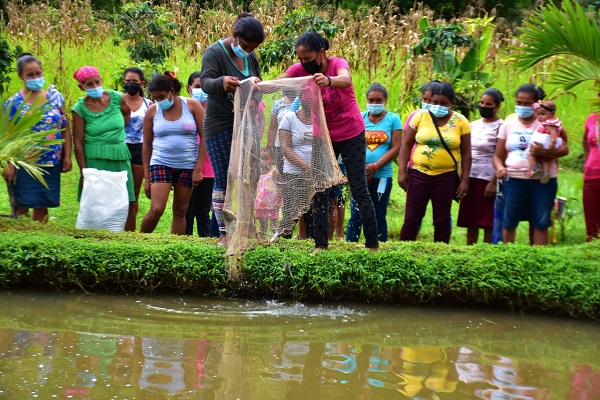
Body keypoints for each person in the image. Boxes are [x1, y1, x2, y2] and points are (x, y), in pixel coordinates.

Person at [278, 31, 379, 252]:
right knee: (320, 189)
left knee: (359, 187)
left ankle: (372, 244)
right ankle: (321, 244)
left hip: (351, 134)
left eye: (308, 58)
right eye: (301, 59)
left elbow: (345, 78)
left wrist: (328, 80)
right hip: (322, 137)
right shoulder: (301, 69)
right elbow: (279, 82)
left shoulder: (336, 64)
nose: (304, 63)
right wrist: (257, 85)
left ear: (321, 53)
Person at [200, 12, 264, 246]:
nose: (248, 51)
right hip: (221, 123)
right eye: (246, 46)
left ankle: (246, 226)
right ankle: (224, 233)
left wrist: (257, 88)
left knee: (252, 175)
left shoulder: (250, 56)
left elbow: (258, 80)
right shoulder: (214, 53)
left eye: (252, 48)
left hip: (247, 122)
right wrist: (222, 83)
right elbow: (205, 82)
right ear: (235, 36)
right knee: (225, 178)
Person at [492, 83, 569, 245]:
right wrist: (500, 168)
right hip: (513, 180)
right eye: (519, 103)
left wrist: (545, 153)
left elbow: (564, 149)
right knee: (509, 220)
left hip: (543, 182)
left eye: (527, 103)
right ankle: (509, 258)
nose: (522, 107)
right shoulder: (508, 125)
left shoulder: (548, 123)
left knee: (540, 222)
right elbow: (498, 156)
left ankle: (537, 258)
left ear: (536, 104)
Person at [398, 82, 472, 243]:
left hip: (446, 177)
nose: (437, 106)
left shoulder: (461, 121)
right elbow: (406, 144)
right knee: (412, 218)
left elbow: (466, 153)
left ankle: (441, 253)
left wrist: (465, 180)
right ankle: (403, 252)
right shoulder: (420, 116)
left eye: (443, 103)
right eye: (434, 102)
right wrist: (402, 171)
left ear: (452, 103)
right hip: (418, 175)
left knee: (442, 219)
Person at [2, 53, 71, 222]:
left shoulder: (53, 98)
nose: (35, 78)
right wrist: (8, 164)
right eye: (30, 75)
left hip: (51, 160)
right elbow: (7, 137)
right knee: (21, 205)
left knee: (43, 203)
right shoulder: (13, 103)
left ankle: (40, 239)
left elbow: (64, 127)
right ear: (21, 76)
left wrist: (67, 156)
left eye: (38, 73)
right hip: (24, 162)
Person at [139, 72, 207, 234]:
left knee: (180, 212)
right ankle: (140, 243)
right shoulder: (152, 111)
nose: (159, 101)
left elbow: (206, 137)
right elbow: (147, 145)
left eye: (162, 96)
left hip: (187, 165)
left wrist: (198, 168)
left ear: (172, 90)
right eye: (156, 98)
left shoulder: (191, 106)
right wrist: (147, 178)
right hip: (161, 162)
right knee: (156, 209)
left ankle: (175, 248)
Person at [71, 65, 135, 228]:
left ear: (101, 80)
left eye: (97, 82)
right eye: (89, 84)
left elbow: (126, 114)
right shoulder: (80, 109)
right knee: (97, 202)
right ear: (81, 87)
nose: (94, 87)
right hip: (95, 158)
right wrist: (84, 171)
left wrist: (117, 134)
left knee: (126, 201)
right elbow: (77, 143)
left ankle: (124, 240)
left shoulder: (117, 98)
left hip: (119, 154)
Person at [346, 83, 401, 243]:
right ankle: (350, 247)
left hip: (382, 176)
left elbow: (396, 147)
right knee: (356, 214)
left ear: (385, 100)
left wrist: (375, 166)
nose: (375, 104)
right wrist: (362, 169)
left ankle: (377, 247)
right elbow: (352, 144)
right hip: (360, 175)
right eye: (371, 100)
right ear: (366, 100)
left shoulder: (393, 119)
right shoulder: (360, 118)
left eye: (379, 100)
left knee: (379, 214)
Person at [457, 88, 504, 245]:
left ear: (497, 107)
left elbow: (501, 155)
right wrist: (462, 175)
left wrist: (493, 181)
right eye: (481, 103)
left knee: (487, 220)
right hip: (470, 176)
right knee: (470, 219)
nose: (484, 106)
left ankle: (486, 251)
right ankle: (470, 250)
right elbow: (465, 152)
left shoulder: (501, 126)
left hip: (488, 177)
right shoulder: (473, 125)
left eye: (488, 104)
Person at [185, 72, 217, 237]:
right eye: (197, 86)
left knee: (204, 213)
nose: (201, 90)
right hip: (186, 168)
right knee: (186, 212)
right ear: (188, 88)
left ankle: (205, 249)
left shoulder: (216, 111)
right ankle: (185, 246)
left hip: (210, 170)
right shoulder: (182, 111)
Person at [122, 67, 153, 231]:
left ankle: (129, 233)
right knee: (118, 192)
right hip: (120, 149)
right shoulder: (117, 101)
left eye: (135, 82)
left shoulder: (149, 104)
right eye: (128, 81)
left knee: (132, 195)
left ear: (142, 83)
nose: (131, 84)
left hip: (141, 151)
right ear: (123, 82)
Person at [528, 100, 564, 184]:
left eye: (543, 114)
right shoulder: (555, 121)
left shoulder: (548, 123)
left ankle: (534, 169)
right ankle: (546, 173)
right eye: (538, 114)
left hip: (547, 139)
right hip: (551, 140)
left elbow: (553, 132)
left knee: (530, 153)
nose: (540, 117)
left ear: (552, 113)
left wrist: (552, 142)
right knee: (545, 158)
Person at [582, 100, 600, 241]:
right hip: (591, 177)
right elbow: (585, 140)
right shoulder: (593, 117)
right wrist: (589, 160)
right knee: (592, 225)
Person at [254, 147, 282, 237]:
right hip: (260, 204)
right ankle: (262, 240)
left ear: (272, 160)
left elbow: (280, 187)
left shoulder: (274, 172)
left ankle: (275, 239)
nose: (263, 162)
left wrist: (277, 202)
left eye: (266, 159)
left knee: (274, 225)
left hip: (272, 204)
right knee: (262, 224)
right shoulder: (257, 173)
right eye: (261, 159)